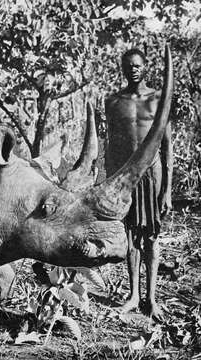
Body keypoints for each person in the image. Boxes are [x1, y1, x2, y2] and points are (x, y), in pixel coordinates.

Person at [104, 48, 173, 320]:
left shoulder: (157, 98)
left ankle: (151, 299)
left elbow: (166, 147)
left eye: (137, 65)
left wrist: (167, 190)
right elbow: (110, 143)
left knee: (152, 235)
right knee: (130, 235)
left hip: (151, 173)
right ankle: (133, 295)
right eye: (127, 66)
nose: (132, 69)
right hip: (125, 175)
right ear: (122, 68)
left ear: (145, 67)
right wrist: (109, 181)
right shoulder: (112, 101)